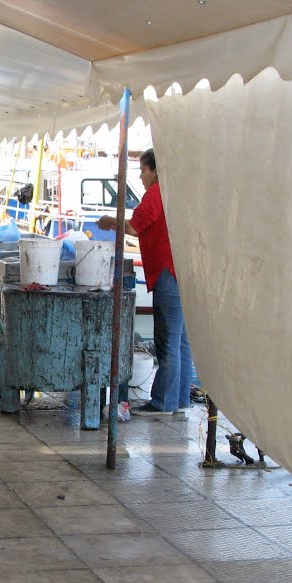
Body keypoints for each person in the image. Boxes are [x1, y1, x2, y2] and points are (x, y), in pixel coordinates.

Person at [98, 148, 191, 416]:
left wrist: (110, 220)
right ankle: (179, 399)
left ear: (155, 171)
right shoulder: (175, 191)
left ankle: (163, 402)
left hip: (166, 270)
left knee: (168, 341)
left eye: (142, 170)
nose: (140, 176)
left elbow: (134, 227)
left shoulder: (156, 193)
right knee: (181, 340)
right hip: (177, 269)